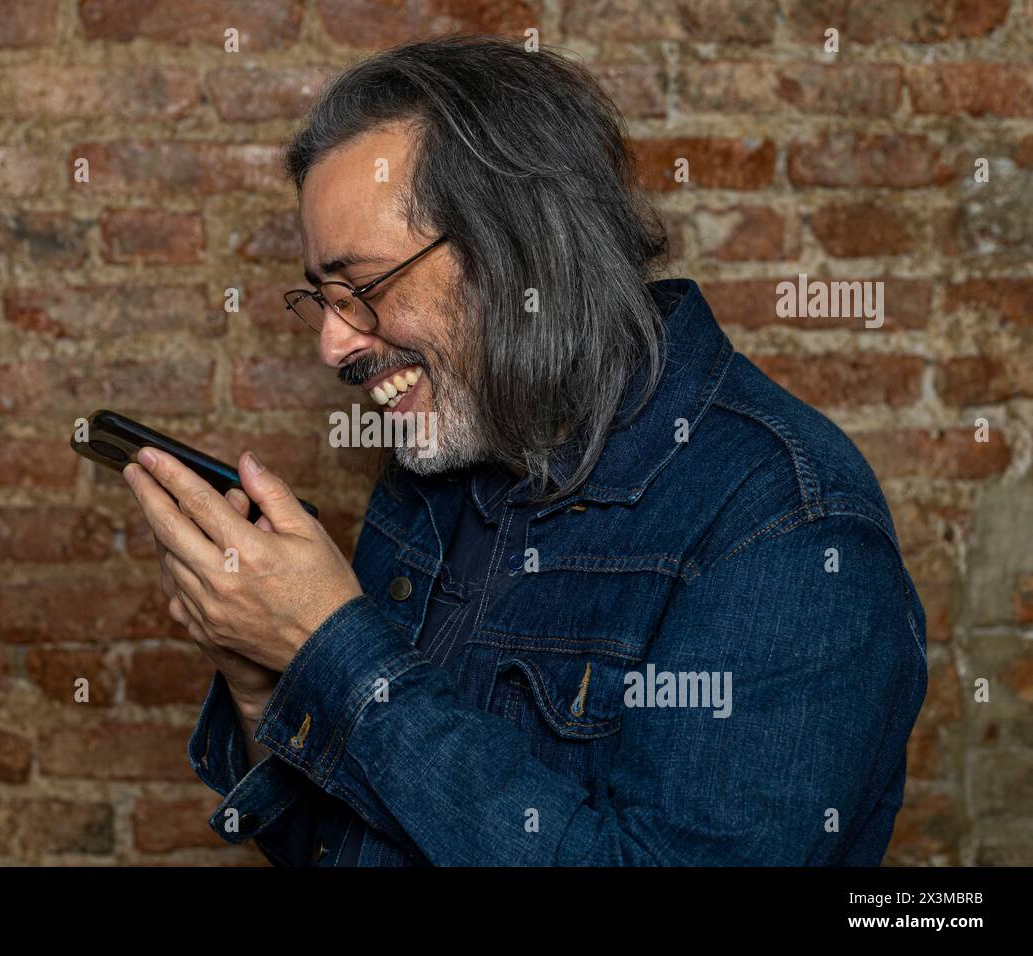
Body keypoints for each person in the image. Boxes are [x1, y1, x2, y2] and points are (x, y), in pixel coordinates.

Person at [121, 35, 928, 866]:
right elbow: (343, 845)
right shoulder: (439, 458)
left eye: (360, 288)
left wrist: (332, 644)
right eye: (320, 299)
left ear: (518, 251)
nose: (333, 345)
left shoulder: (790, 527)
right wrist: (265, 675)